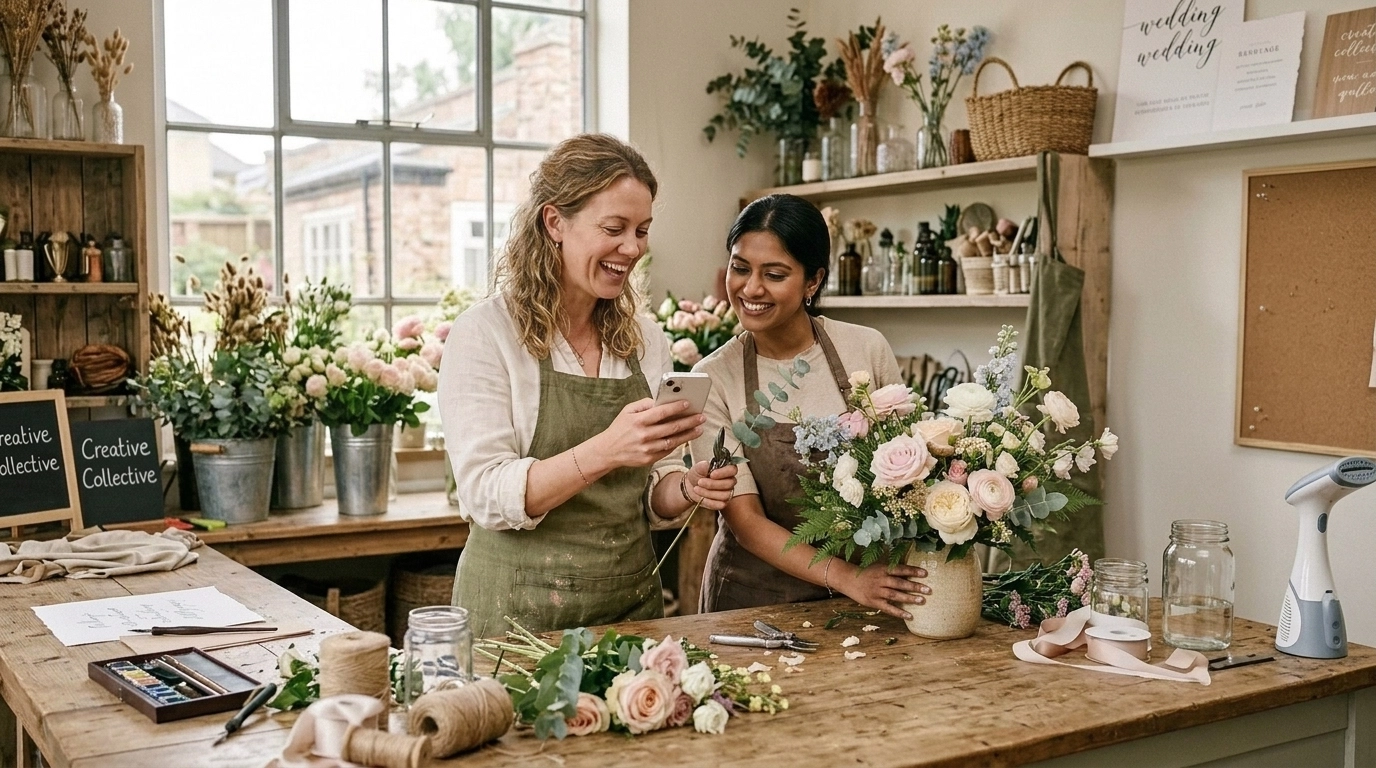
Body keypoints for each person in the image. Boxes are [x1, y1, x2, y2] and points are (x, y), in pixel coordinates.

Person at [440, 134, 737, 638]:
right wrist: (607, 448)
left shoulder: (643, 339)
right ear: (554, 222)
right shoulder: (487, 334)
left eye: (642, 230)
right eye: (614, 228)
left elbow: (650, 493)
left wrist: (686, 487)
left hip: (629, 616)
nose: (633, 248)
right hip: (516, 621)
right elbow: (485, 494)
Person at [694, 194, 929, 620]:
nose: (750, 289)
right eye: (740, 267)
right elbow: (745, 521)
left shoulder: (865, 349)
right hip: (752, 602)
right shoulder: (713, 377)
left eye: (775, 274)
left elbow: (910, 480)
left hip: (866, 594)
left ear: (813, 282)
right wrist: (847, 578)